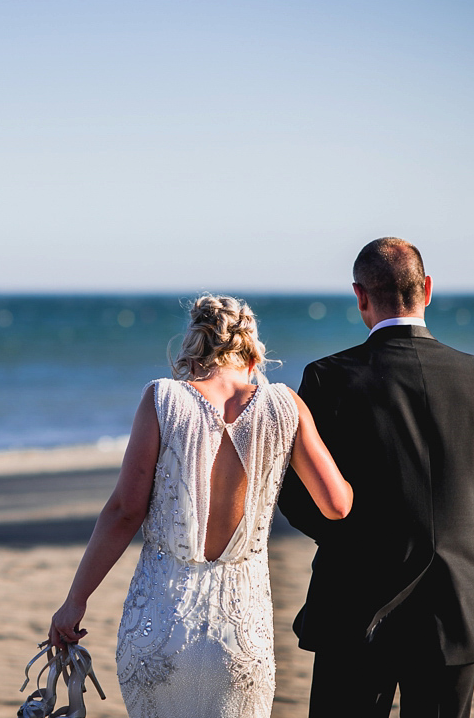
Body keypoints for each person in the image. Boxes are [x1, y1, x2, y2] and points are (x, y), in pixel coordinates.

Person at [48, 295, 353, 718]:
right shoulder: (285, 405)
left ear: (193, 346)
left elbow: (124, 511)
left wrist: (75, 601)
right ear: (251, 352)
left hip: (161, 623)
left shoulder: (164, 399)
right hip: (240, 631)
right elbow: (336, 505)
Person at [277, 238, 474, 718]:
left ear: (360, 296)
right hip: (455, 605)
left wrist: (350, 538)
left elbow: (296, 496)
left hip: (353, 604)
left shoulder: (329, 378)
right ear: (427, 289)